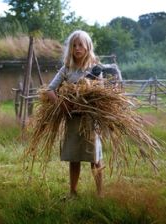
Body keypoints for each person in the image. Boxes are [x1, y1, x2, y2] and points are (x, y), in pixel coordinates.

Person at [46, 30, 115, 197]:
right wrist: (62, 105)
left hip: (90, 120)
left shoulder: (95, 69)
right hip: (72, 120)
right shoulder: (66, 69)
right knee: (73, 157)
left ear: (87, 47)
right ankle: (73, 192)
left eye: (80, 45)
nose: (77, 48)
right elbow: (50, 90)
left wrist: (89, 101)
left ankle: (100, 193)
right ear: (70, 48)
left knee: (94, 158)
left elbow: (101, 93)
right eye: (74, 45)